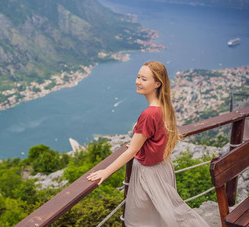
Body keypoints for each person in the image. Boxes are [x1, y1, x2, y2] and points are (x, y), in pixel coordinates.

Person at [87, 61, 209, 226]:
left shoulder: (149, 114)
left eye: (144, 79)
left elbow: (131, 151)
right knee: (161, 218)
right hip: (163, 168)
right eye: (138, 77)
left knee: (139, 222)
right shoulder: (166, 107)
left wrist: (106, 172)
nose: (138, 81)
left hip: (147, 174)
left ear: (157, 83)